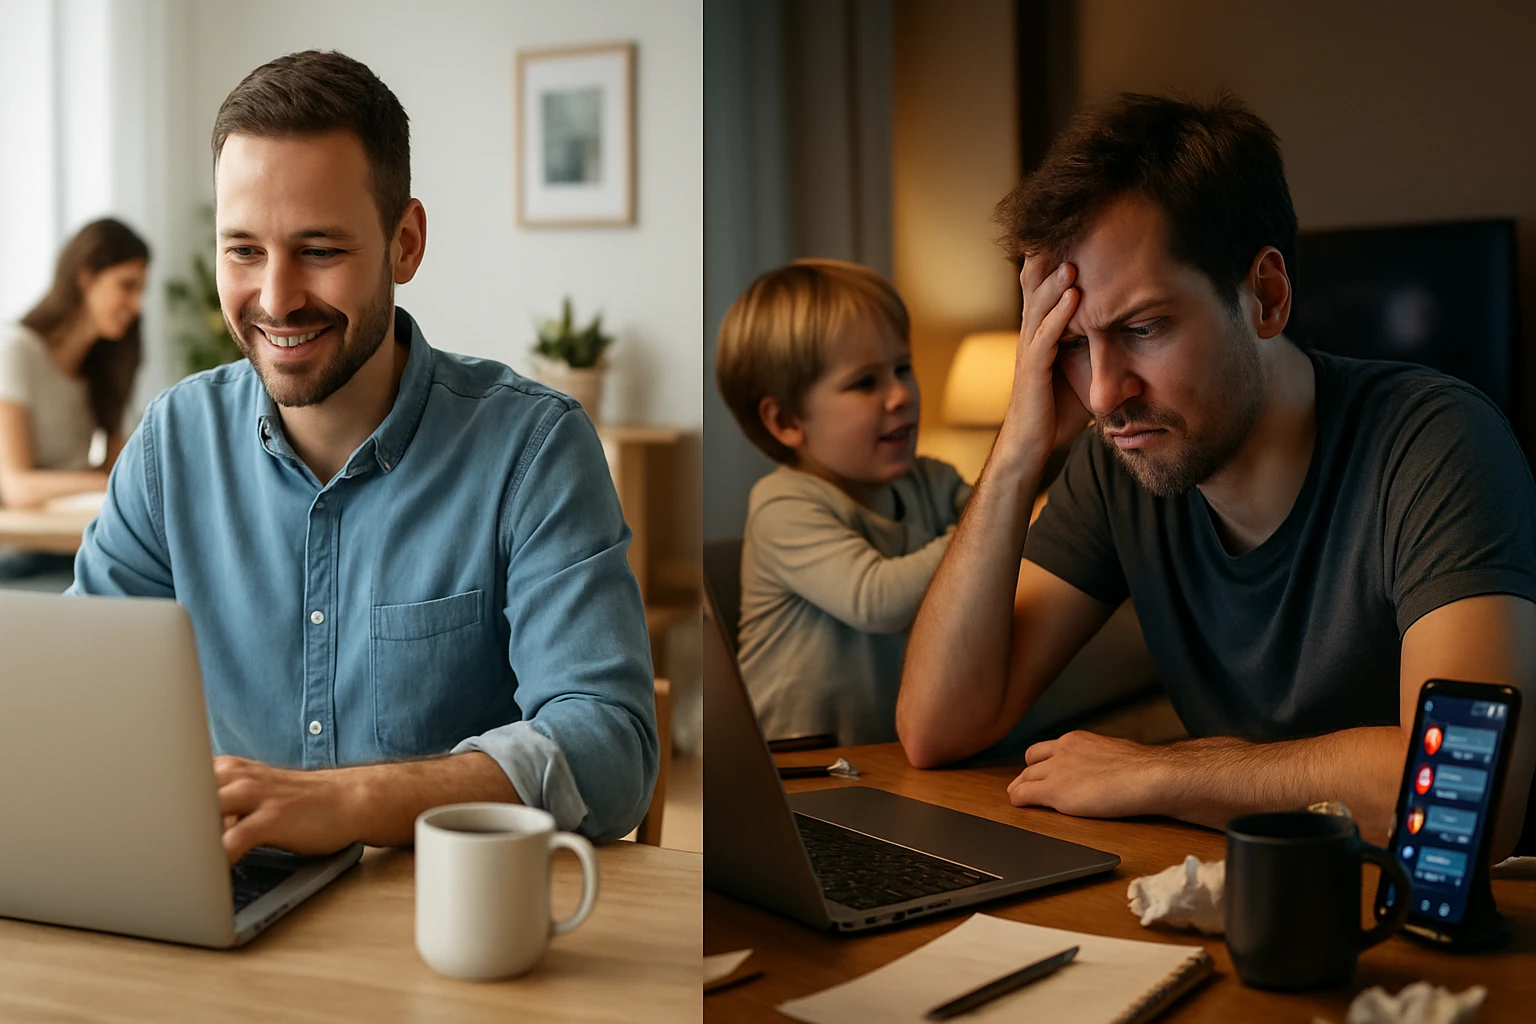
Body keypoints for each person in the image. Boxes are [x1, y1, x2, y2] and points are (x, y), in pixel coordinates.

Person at [897, 93, 1536, 860]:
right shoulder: (1117, 465)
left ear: (1265, 295)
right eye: (1073, 343)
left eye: (1142, 329)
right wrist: (1018, 445)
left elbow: (1469, 793)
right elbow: (936, 726)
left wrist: (1162, 773)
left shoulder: (1436, 444)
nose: (1103, 394)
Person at [69, 50, 658, 860]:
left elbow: (611, 751)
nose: (275, 299)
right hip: (223, 916)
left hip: (452, 928)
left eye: (318, 249)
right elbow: (78, 700)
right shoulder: (173, 446)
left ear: (405, 243)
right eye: (243, 249)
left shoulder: (533, 450)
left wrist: (346, 802)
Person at [716, 259, 970, 745]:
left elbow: (1011, 545)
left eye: (902, 368)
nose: (900, 395)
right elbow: (878, 600)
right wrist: (978, 537)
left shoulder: (932, 481)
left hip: (884, 754)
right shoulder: (782, 506)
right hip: (791, 764)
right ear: (787, 420)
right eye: (866, 383)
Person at [0, 218, 147, 509]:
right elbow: (15, 487)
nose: (137, 305)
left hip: (78, 533)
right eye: (127, 285)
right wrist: (101, 483)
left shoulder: (105, 365)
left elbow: (113, 467)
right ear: (86, 276)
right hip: (25, 543)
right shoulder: (16, 350)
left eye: (141, 289)